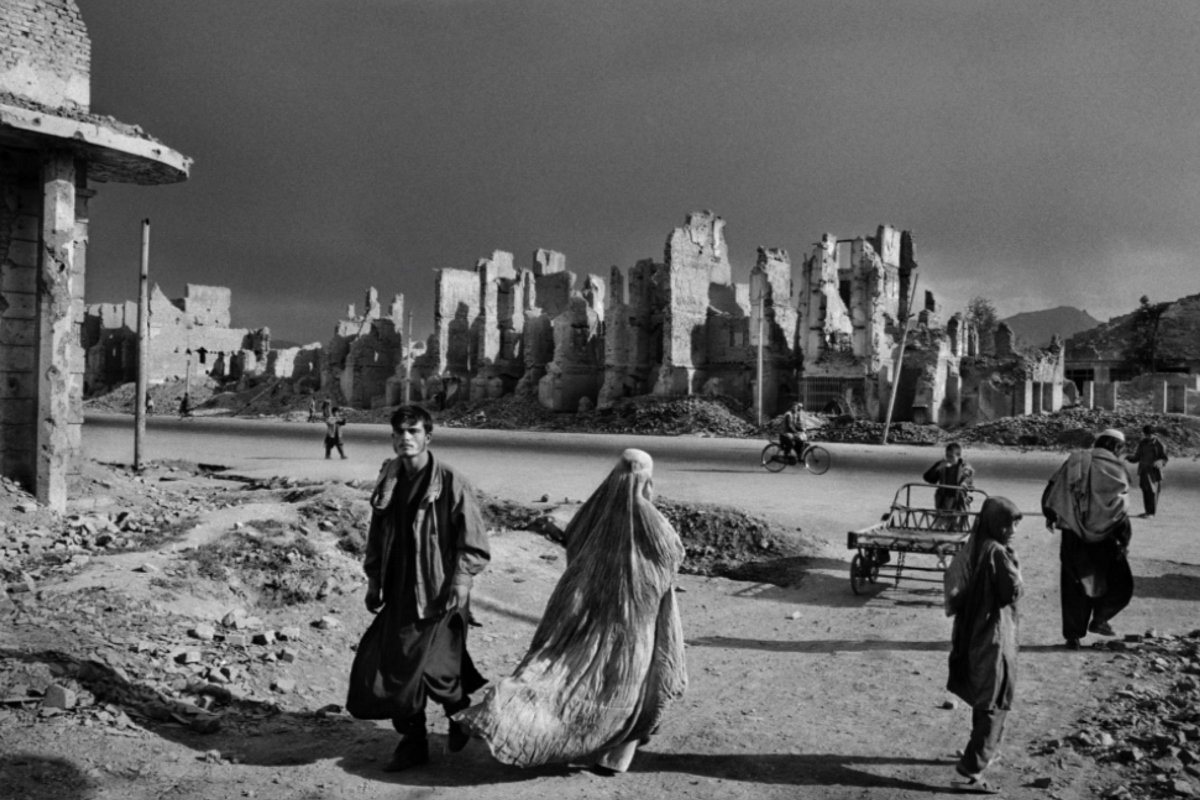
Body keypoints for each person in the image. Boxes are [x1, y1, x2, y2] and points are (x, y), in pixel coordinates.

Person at [455, 449, 686, 774]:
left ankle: (569, 732)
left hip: (583, 611)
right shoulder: (653, 521)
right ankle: (614, 752)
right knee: (628, 676)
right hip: (634, 618)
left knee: (564, 671)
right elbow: (671, 556)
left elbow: (574, 538)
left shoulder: (594, 510)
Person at [350, 405, 490, 772]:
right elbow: (378, 534)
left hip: (440, 590)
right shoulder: (391, 477)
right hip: (399, 591)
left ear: (429, 436)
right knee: (393, 667)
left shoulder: (448, 480)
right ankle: (415, 741)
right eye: (398, 433)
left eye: (413, 432)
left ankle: (458, 715)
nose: (405, 439)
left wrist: (462, 578)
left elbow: (473, 539)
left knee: (434, 668)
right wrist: (374, 580)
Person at [947, 497, 1023, 794]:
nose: (1014, 529)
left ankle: (984, 751)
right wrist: (1015, 566)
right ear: (996, 524)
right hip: (993, 632)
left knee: (983, 693)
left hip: (971, 631)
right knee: (995, 696)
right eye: (1009, 523)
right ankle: (973, 767)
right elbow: (1010, 594)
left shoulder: (975, 544)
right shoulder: (998, 553)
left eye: (1016, 523)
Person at [1042, 428, 1134, 649]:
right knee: (1119, 581)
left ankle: (1072, 635)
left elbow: (1052, 489)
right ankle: (1101, 618)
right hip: (1108, 536)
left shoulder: (1076, 461)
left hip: (1073, 533)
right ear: (1116, 447)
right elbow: (1119, 508)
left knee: (1074, 583)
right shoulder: (1117, 468)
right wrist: (1123, 539)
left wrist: (1051, 515)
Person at [924, 442, 975, 530]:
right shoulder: (942, 464)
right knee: (940, 527)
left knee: (960, 528)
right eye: (947, 456)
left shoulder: (965, 466)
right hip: (943, 502)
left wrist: (964, 483)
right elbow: (927, 478)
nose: (949, 459)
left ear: (958, 456)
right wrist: (938, 468)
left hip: (959, 502)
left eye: (951, 456)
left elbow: (968, 477)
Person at [1127, 425, 1168, 519]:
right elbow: (1137, 456)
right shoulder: (1143, 443)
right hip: (1143, 471)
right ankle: (1147, 511)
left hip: (1154, 471)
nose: (1148, 436)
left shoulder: (1158, 443)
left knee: (1153, 492)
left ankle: (1151, 513)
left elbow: (1164, 458)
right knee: (1145, 491)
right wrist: (1131, 458)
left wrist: (1159, 462)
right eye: (1146, 435)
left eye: (1150, 435)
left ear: (1154, 434)